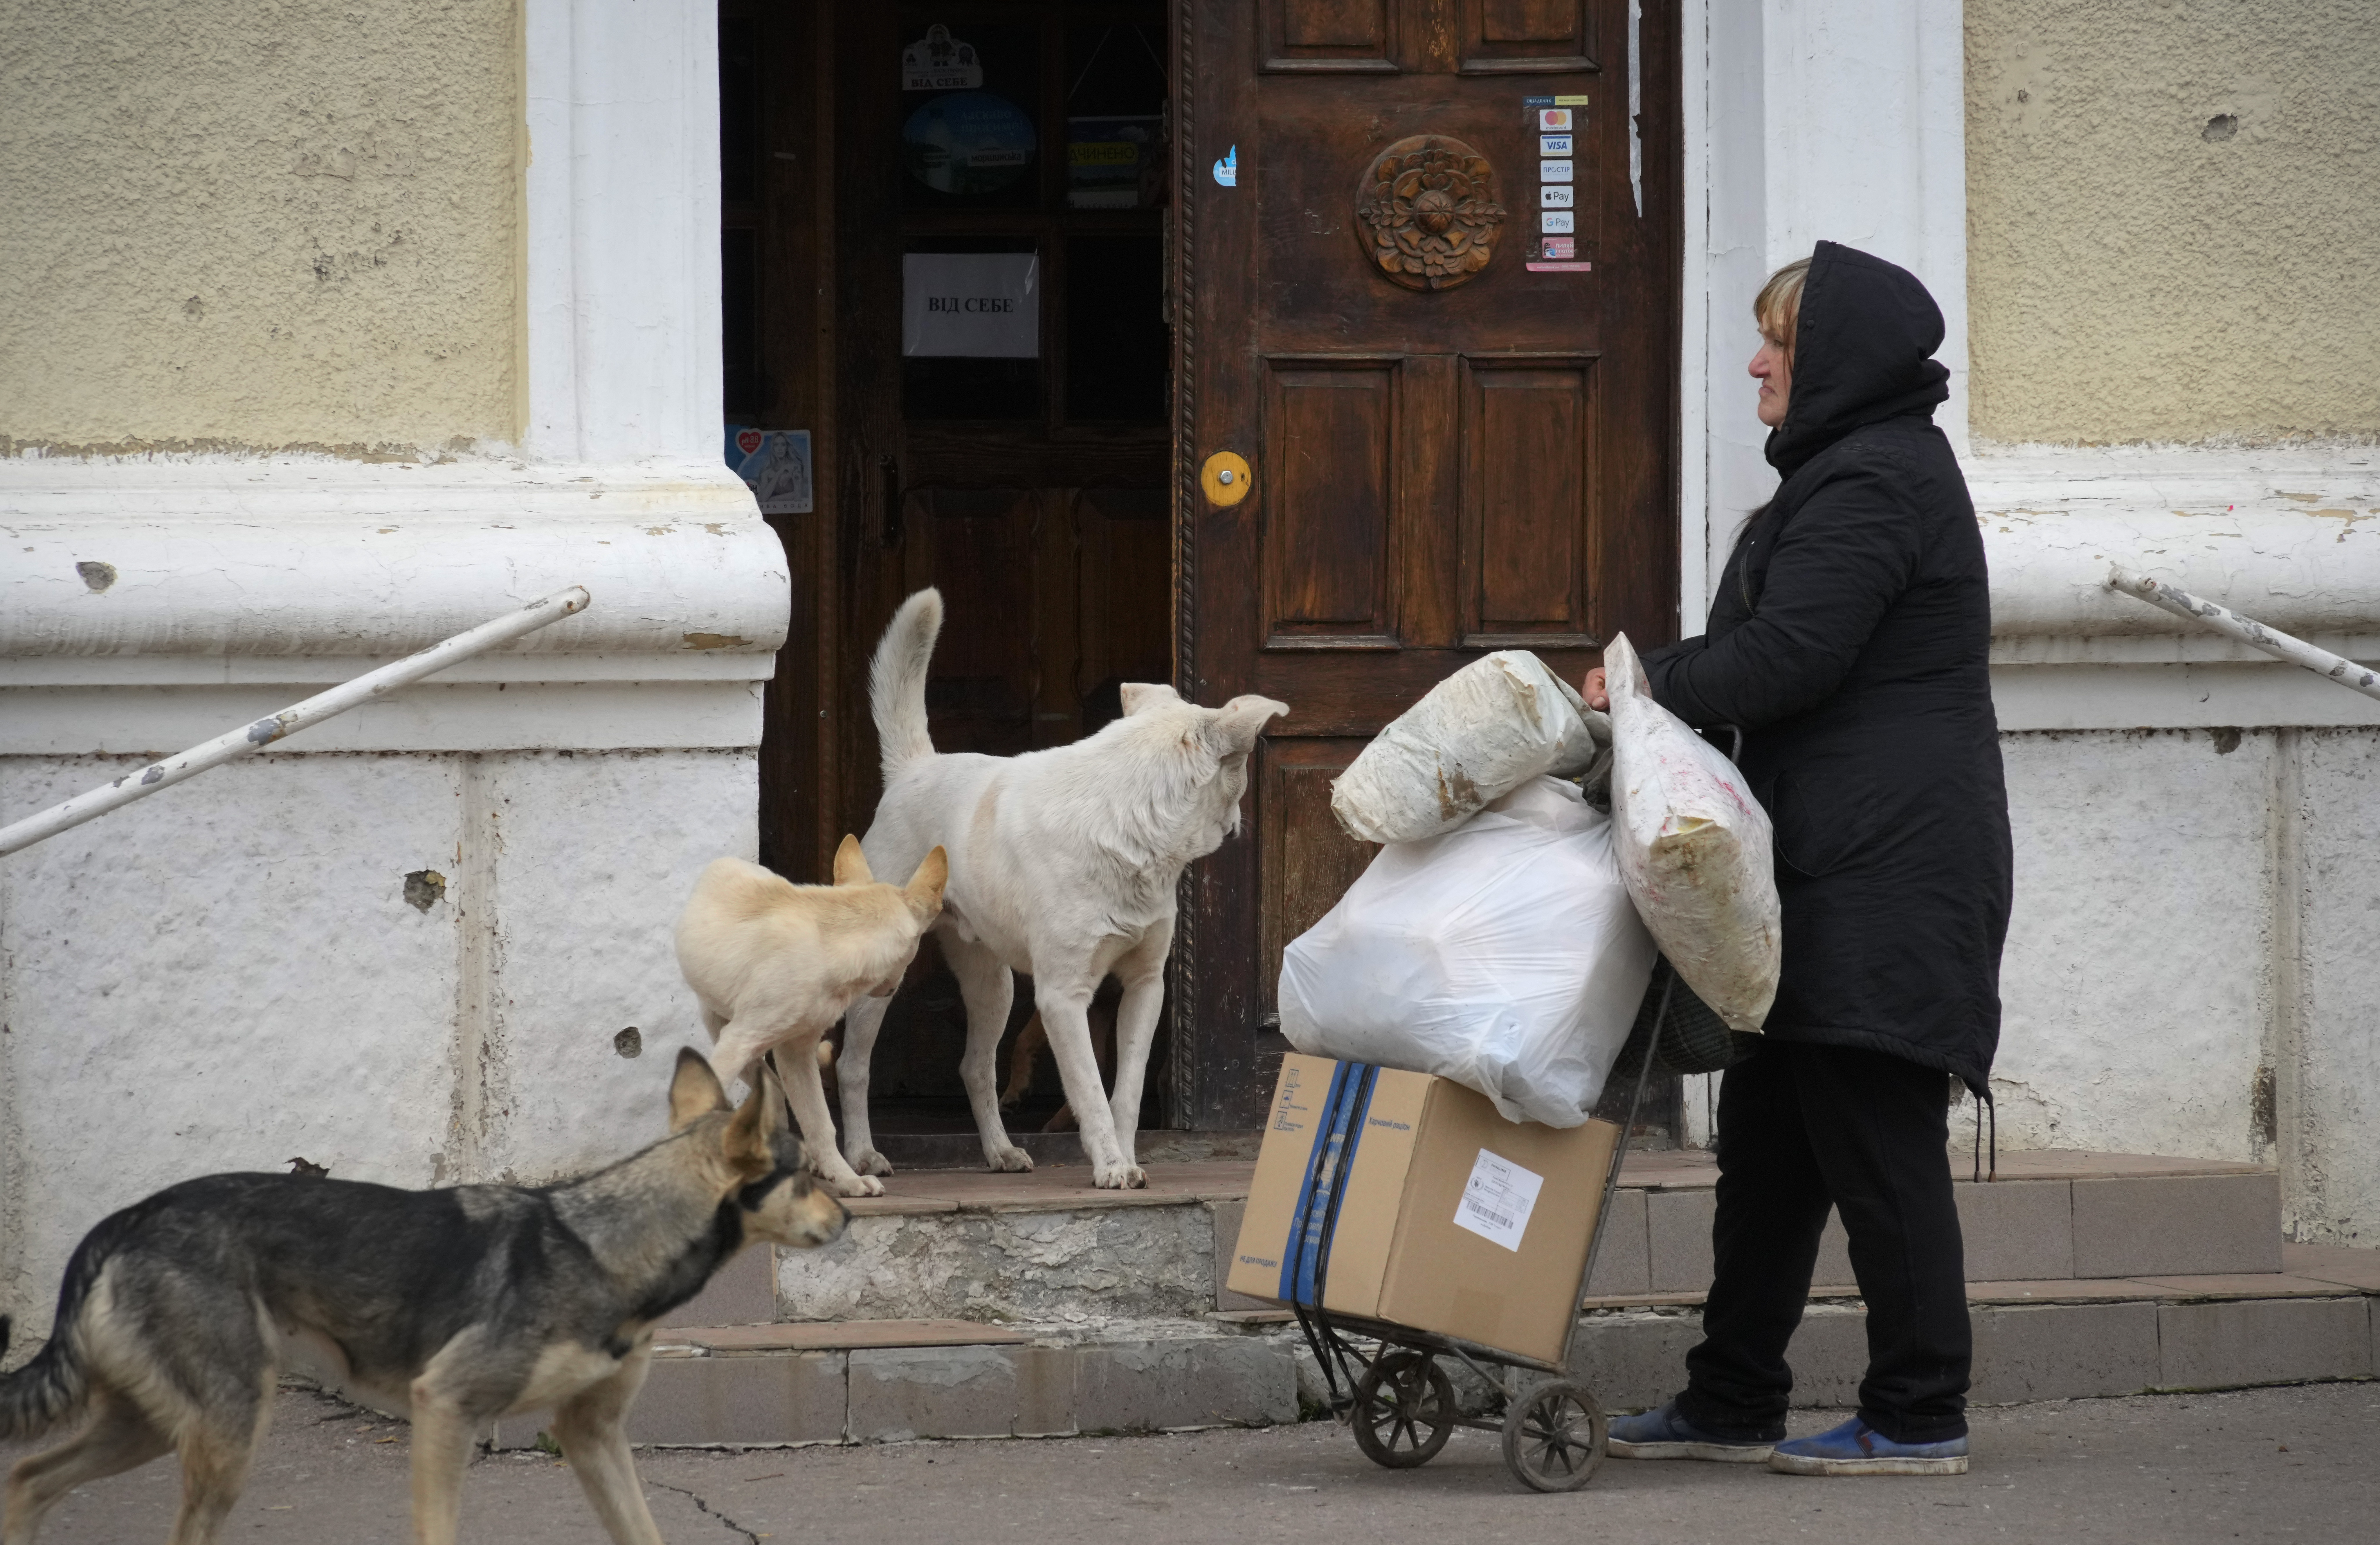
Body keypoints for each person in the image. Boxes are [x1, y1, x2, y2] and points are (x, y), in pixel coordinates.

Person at [1584, 242, 2012, 1476]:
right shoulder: (1848, 472)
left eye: (1782, 341)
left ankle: (1918, 1410)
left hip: (1887, 868)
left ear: (1836, 365)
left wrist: (1637, 680)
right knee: (1769, 1144)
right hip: (1827, 860)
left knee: (1878, 1144)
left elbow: (1787, 658)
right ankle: (1731, 1394)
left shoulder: (1876, 477)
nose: (1759, 360)